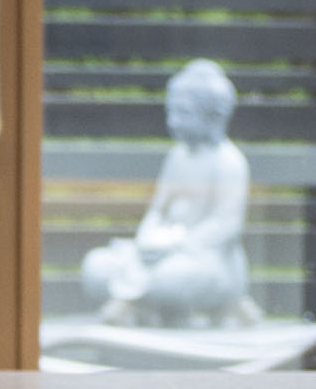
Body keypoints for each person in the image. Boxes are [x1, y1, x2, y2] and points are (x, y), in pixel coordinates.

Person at [79, 60, 259, 327]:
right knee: (96, 266)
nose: (173, 121)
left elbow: (226, 226)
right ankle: (139, 296)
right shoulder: (178, 157)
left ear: (213, 115)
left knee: (172, 278)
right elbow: (157, 210)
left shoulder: (229, 162)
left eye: (184, 113)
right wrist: (150, 241)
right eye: (171, 111)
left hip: (204, 258)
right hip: (160, 250)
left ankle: (133, 298)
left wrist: (176, 246)